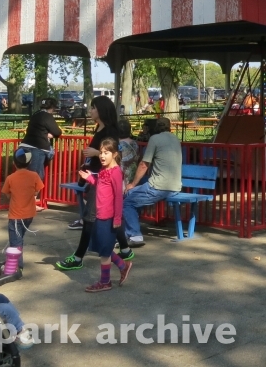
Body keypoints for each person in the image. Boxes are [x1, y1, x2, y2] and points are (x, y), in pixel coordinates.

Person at [56, 96, 128, 270]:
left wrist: (96, 153)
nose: (90, 111)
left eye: (93, 108)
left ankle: (78, 257)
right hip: (94, 176)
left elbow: (114, 153)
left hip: (103, 179)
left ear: (101, 110)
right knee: (98, 217)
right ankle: (124, 250)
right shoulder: (99, 128)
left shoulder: (110, 130)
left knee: (89, 218)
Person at [78, 138, 131, 292]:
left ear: (114, 154)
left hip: (109, 217)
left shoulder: (115, 172)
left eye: (106, 153)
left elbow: (119, 197)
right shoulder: (103, 170)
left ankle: (105, 281)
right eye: (101, 152)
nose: (102, 156)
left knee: (104, 252)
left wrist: (117, 218)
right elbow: (101, 185)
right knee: (101, 247)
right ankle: (123, 265)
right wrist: (90, 178)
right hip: (99, 215)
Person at [123, 117, 182, 246]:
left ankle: (134, 235)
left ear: (155, 127)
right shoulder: (175, 138)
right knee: (131, 195)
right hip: (175, 187)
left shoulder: (155, 139)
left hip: (158, 187)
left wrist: (132, 183)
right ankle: (129, 230)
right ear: (169, 127)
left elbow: (144, 164)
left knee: (128, 201)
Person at [1, 148, 44, 269]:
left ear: (14, 163)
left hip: (16, 215)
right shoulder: (34, 175)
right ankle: (14, 261)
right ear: (29, 163)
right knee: (18, 239)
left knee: (16, 242)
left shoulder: (11, 178)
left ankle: (16, 266)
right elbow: (38, 189)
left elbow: (7, 194)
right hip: (29, 215)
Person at [20, 97, 62, 174]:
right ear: (52, 107)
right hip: (38, 148)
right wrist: (49, 134)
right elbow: (57, 132)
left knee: (24, 174)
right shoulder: (47, 116)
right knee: (36, 176)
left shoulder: (35, 114)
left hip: (24, 146)